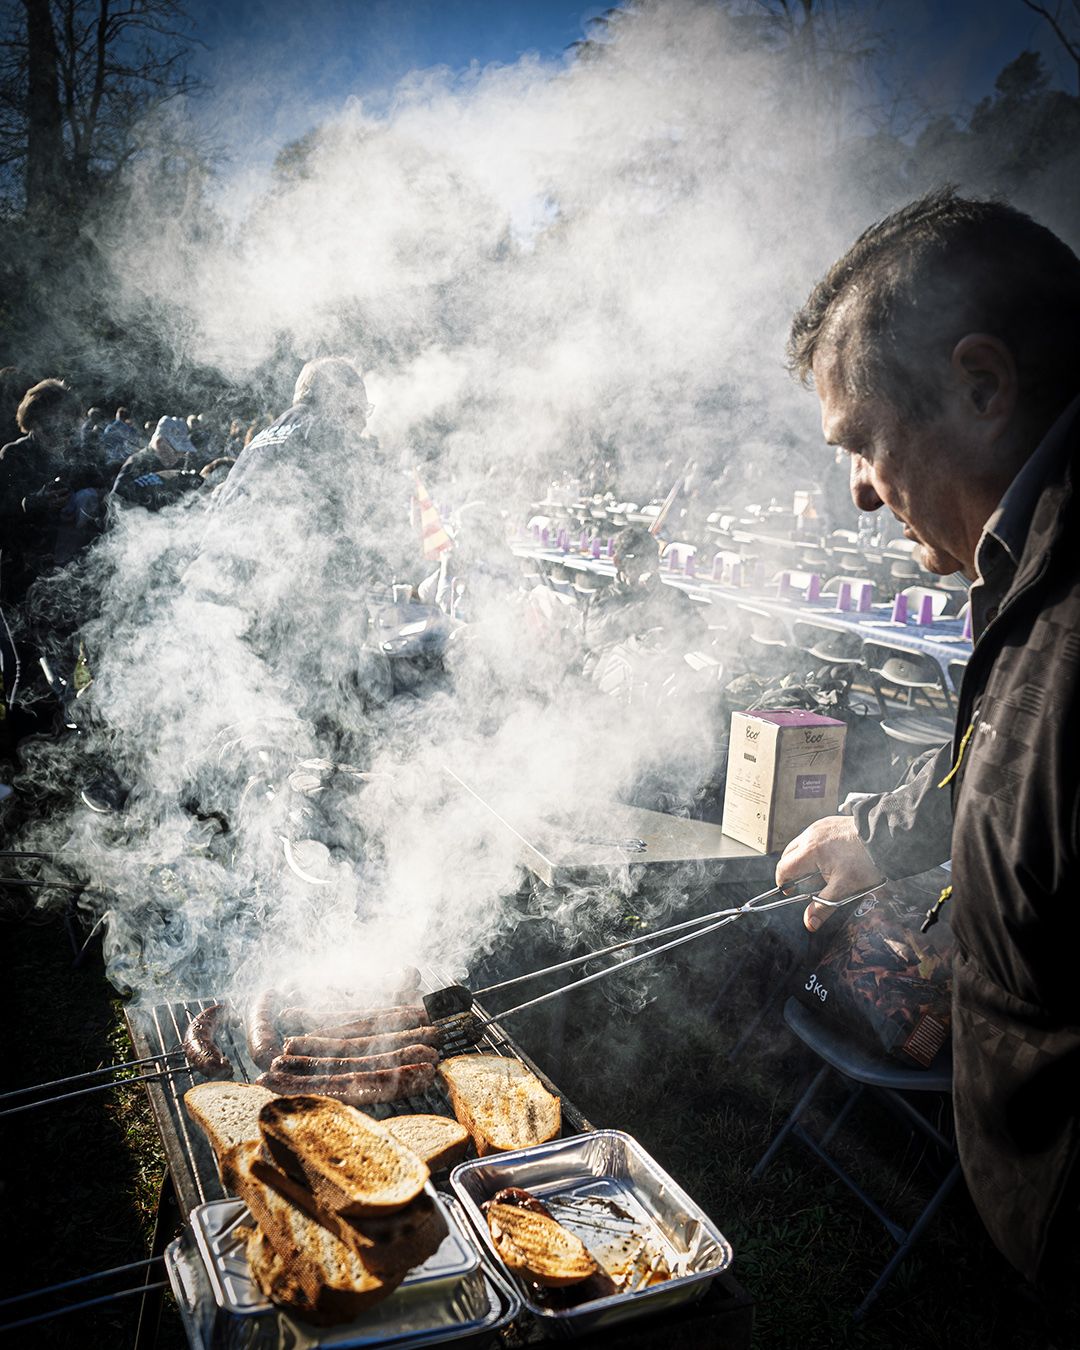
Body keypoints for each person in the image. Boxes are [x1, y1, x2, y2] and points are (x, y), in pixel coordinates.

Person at [773, 188, 1080, 1291]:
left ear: (983, 386)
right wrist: (880, 831)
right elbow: (1005, 754)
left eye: (861, 442)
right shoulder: (1025, 559)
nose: (855, 492)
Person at [111, 415, 201, 509]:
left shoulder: (175, 465)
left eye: (182, 454)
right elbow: (117, 500)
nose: (177, 458)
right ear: (160, 443)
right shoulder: (137, 462)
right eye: (175, 451)